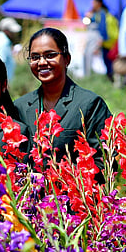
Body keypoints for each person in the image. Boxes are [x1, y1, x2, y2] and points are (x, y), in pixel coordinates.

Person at [14, 28, 112, 166]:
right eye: (35, 57)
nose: (42, 62)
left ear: (67, 59)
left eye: (50, 55)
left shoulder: (90, 105)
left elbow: (105, 162)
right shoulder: (20, 107)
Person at [84, 0, 116, 81]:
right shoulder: (95, 13)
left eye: (94, 3)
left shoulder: (102, 13)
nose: (92, 5)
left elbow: (102, 28)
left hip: (100, 40)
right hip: (98, 40)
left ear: (99, 3)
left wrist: (100, 41)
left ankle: (109, 79)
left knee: (106, 61)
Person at [0, 17, 21, 84]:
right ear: (6, 30)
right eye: (12, 31)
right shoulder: (1, 42)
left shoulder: (3, 40)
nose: (14, 34)